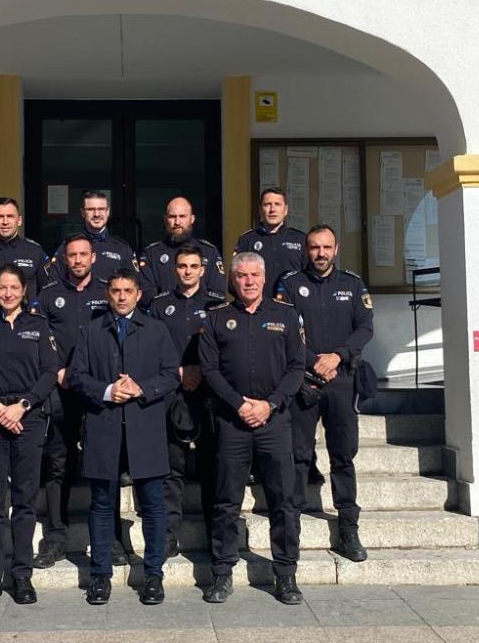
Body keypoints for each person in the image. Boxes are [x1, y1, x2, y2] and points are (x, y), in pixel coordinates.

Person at [68, 268, 180, 605]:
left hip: (145, 428)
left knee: (153, 505)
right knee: (102, 504)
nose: (120, 296)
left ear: (138, 294)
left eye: (127, 290)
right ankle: (100, 575)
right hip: (104, 427)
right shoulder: (91, 331)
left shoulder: (157, 329)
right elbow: (76, 377)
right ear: (108, 294)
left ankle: (153, 575)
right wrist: (107, 390)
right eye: (115, 290)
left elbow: (171, 375)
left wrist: (141, 388)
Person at [199, 252, 306, 605]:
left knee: (282, 500)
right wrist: (240, 405)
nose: (248, 281)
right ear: (233, 279)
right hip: (233, 423)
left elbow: (296, 368)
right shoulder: (217, 319)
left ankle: (286, 574)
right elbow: (210, 371)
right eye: (241, 275)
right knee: (226, 501)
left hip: (274, 422)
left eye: (254, 275)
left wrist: (269, 404)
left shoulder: (286, 315)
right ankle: (222, 573)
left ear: (264, 277)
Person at [275, 224, 374, 563]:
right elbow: (285, 331)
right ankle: (294, 528)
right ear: (306, 249)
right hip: (304, 381)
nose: (320, 253)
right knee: (299, 456)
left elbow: (365, 327)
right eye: (314, 247)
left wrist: (338, 356)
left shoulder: (352, 284)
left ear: (336, 249)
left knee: (343, 456)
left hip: (342, 380)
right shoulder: (290, 285)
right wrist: (315, 361)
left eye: (326, 247)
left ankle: (348, 527)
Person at [0, 265, 59, 606]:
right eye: (2, 287)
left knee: (23, 502)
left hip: (28, 418)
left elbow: (50, 372)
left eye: (13, 287)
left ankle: (21, 575)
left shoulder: (38, 325)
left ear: (24, 290)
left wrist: (22, 406)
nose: (7, 293)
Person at [29, 234, 121, 569]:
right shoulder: (49, 294)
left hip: (98, 391)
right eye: (73, 255)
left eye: (84, 254)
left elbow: (117, 337)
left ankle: (110, 538)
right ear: (64, 259)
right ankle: (55, 537)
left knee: (104, 464)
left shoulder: (106, 292)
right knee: (58, 464)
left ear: (94, 258)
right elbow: (40, 338)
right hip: (61, 389)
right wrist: (57, 370)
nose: (79, 260)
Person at [148, 244, 224, 559]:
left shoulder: (218, 305)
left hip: (208, 394)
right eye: (182, 266)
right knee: (171, 467)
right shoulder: (159, 305)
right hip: (171, 393)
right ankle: (169, 534)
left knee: (211, 465)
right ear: (175, 269)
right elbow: (148, 346)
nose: (188, 271)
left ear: (203, 270)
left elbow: (225, 349)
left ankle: (214, 532)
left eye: (194, 266)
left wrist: (200, 371)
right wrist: (179, 371)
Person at [138, 196, 224, 305]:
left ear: (192, 219)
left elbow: (217, 294)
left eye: (182, 216)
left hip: (202, 317)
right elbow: (146, 294)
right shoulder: (151, 254)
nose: (177, 222)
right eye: (172, 216)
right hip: (163, 317)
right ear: (165, 220)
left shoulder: (209, 252)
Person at [44, 190, 137, 283]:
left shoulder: (122, 248)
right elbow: (53, 284)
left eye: (101, 209)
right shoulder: (68, 246)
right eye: (91, 209)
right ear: (82, 213)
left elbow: (134, 285)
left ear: (108, 212)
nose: (96, 214)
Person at [234, 187, 306, 297]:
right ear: (260, 209)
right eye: (267, 204)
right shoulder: (247, 240)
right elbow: (235, 278)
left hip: (292, 307)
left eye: (277, 204)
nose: (272, 209)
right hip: (257, 308)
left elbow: (309, 277)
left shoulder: (300, 239)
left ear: (285, 210)